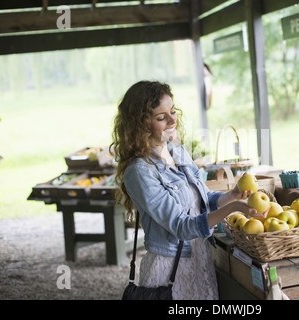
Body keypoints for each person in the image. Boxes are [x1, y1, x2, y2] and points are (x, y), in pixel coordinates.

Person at [111, 80, 264, 300]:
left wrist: (231, 197)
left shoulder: (176, 150)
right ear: (140, 124)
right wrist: (232, 209)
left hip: (200, 259)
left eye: (172, 111)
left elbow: (200, 200)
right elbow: (181, 226)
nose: (173, 120)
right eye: (161, 117)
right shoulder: (139, 172)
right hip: (169, 270)